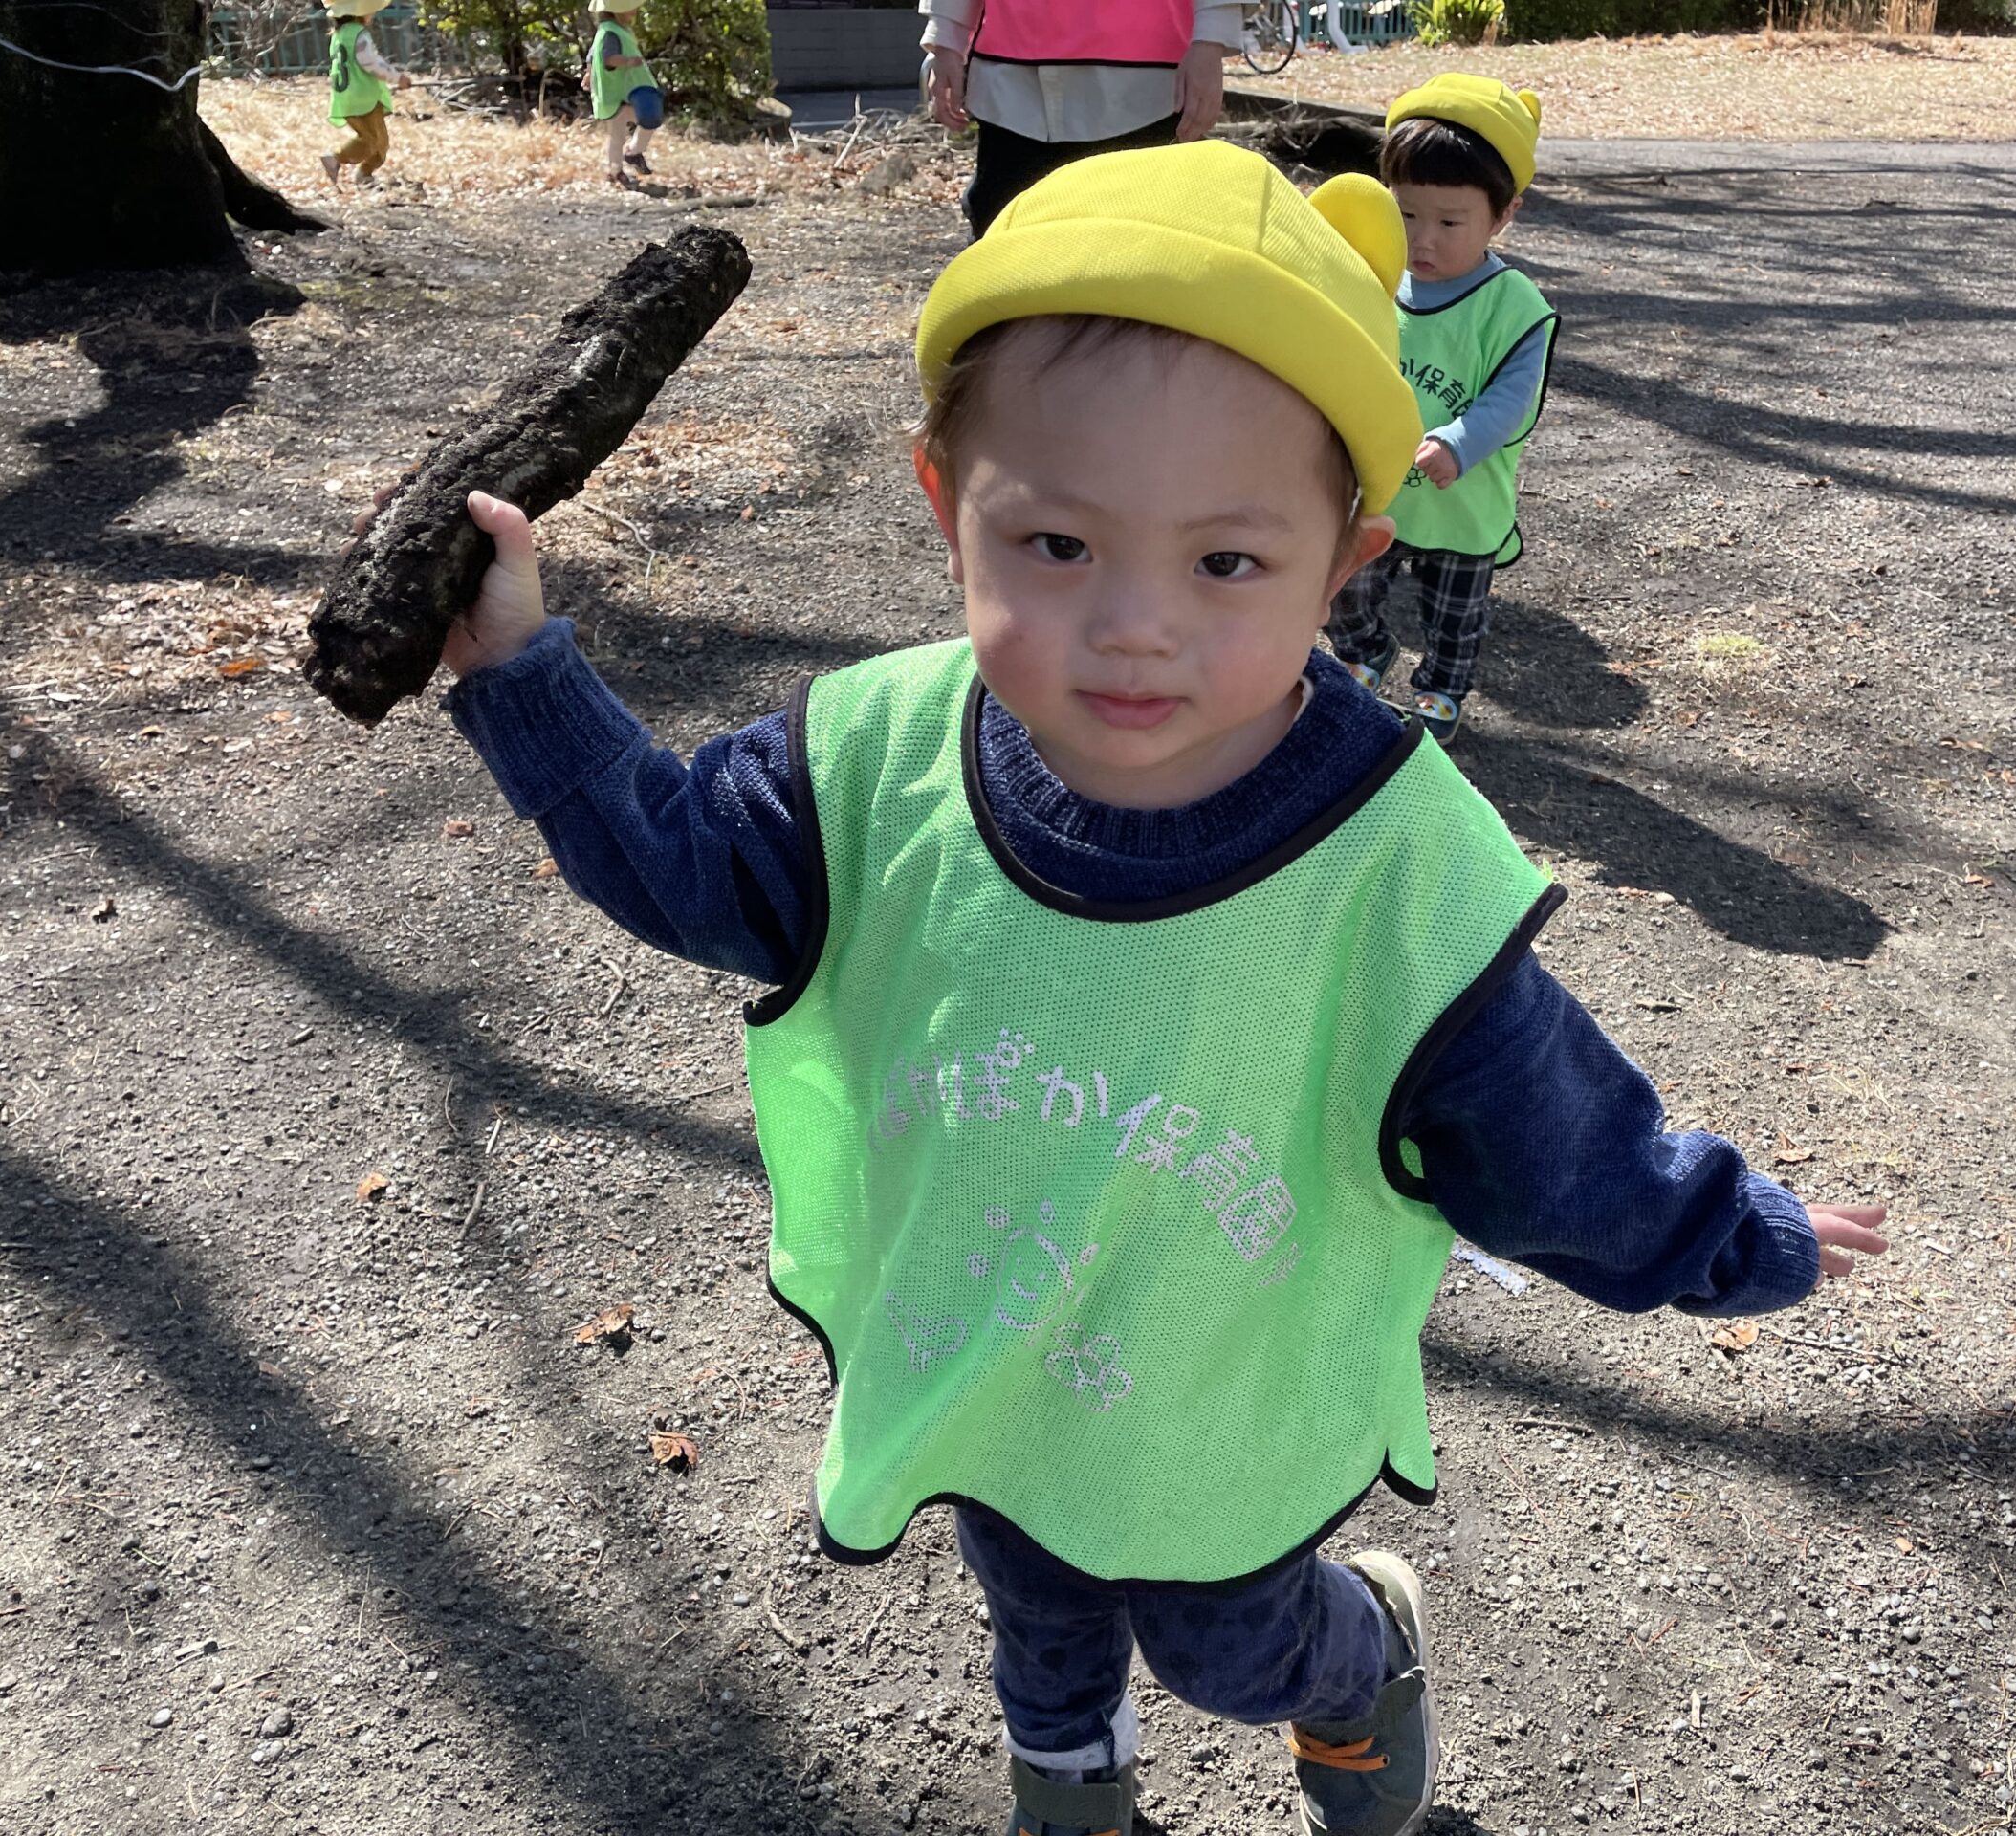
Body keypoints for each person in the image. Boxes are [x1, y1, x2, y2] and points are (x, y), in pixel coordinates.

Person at [435, 142, 1889, 1836]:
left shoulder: (1387, 856)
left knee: (1222, 1643)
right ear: (946, 503)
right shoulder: (875, 760)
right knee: (1035, 1605)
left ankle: (1358, 1658)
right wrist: (522, 670)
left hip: (1221, 1392)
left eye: (1226, 565)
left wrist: (1728, 1230)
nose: (1134, 626)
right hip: (992, 1336)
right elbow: (686, 862)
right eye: (1056, 542)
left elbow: (1546, 1134)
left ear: (1346, 562)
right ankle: (1070, 1786)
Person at [1326, 76, 1557, 747]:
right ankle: (1365, 651)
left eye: (1450, 223)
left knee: (1455, 612)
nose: (1422, 240)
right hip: (1376, 484)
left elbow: (1513, 395)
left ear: (1504, 214)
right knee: (1344, 587)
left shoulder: (1514, 306)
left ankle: (1442, 687)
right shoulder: (1373, 277)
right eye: (1405, 215)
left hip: (1460, 499)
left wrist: (1460, 440)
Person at [918, 0, 1237, 240]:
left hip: (1144, 89)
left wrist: (1210, 42)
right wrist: (945, 42)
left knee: (1139, 253)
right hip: (1013, 88)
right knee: (1002, 249)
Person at [319, 0, 403, 190]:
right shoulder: (358, 34)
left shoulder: (339, 35)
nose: (372, 14)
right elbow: (370, 62)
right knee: (370, 141)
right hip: (364, 97)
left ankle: (364, 175)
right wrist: (397, 77)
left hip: (345, 98)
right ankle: (335, 157)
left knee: (380, 142)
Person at [587, 0, 663, 188]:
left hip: (624, 91)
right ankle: (616, 171)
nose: (635, 10)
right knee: (618, 136)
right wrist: (627, 62)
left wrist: (589, 74)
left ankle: (633, 152)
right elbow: (608, 58)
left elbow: (591, 56)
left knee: (647, 120)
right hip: (614, 93)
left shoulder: (614, 30)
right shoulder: (610, 33)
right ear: (618, 10)